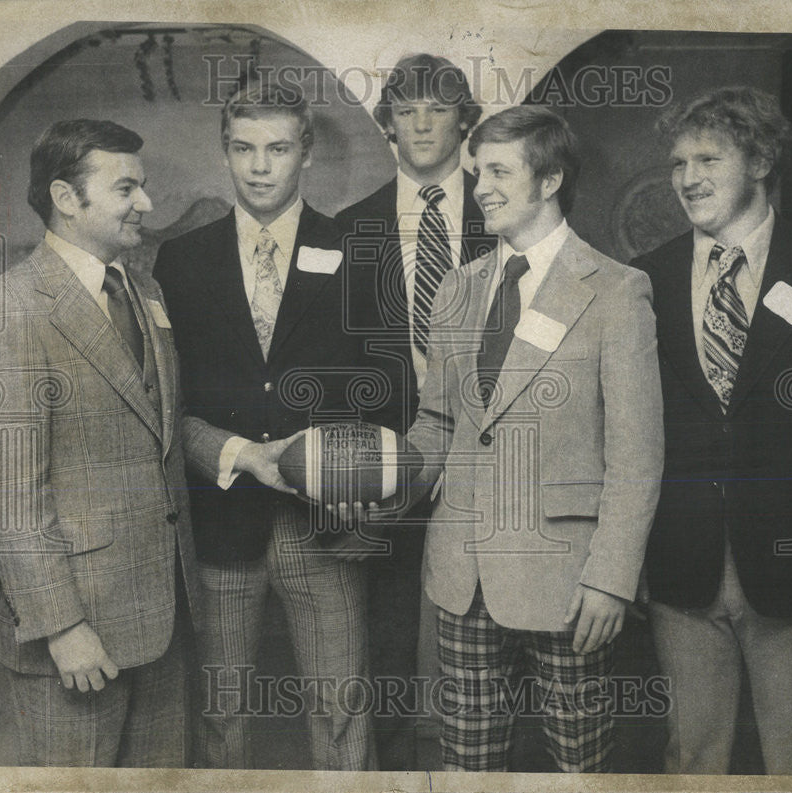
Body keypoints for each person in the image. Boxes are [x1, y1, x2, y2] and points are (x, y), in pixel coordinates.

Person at [342, 104, 664, 772]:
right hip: (462, 571)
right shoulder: (455, 291)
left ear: (549, 180)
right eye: (477, 170)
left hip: (571, 579)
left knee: (581, 765)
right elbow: (440, 423)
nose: (480, 186)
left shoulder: (616, 291)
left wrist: (612, 578)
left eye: (498, 171)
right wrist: (390, 479)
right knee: (468, 761)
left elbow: (637, 454)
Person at [630, 86, 792, 774]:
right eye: (678, 162)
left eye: (708, 158)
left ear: (760, 159)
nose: (688, 178)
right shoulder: (642, 281)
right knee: (690, 758)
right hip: (680, 570)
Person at [0, 119, 216, 766]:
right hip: (74, 633)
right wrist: (63, 627)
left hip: (162, 613)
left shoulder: (142, 289)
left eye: (144, 186)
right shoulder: (8, 311)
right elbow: (10, 497)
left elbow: (160, 426)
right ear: (66, 198)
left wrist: (250, 456)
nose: (147, 203)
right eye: (126, 187)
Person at [153, 82, 396, 770]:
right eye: (244, 148)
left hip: (327, 519)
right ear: (225, 152)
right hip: (220, 520)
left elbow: (390, 390)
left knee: (341, 705)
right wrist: (234, 453)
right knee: (222, 709)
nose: (260, 166)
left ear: (307, 154)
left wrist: (368, 496)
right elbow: (171, 399)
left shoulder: (360, 248)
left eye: (278, 148)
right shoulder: (181, 258)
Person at [334, 52, 496, 770]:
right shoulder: (348, 227)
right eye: (406, 108)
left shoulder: (508, 214)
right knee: (389, 639)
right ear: (388, 124)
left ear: (466, 120)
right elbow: (335, 365)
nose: (423, 121)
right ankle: (396, 772)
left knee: (496, 640)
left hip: (496, 466)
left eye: (439, 106)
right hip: (390, 461)